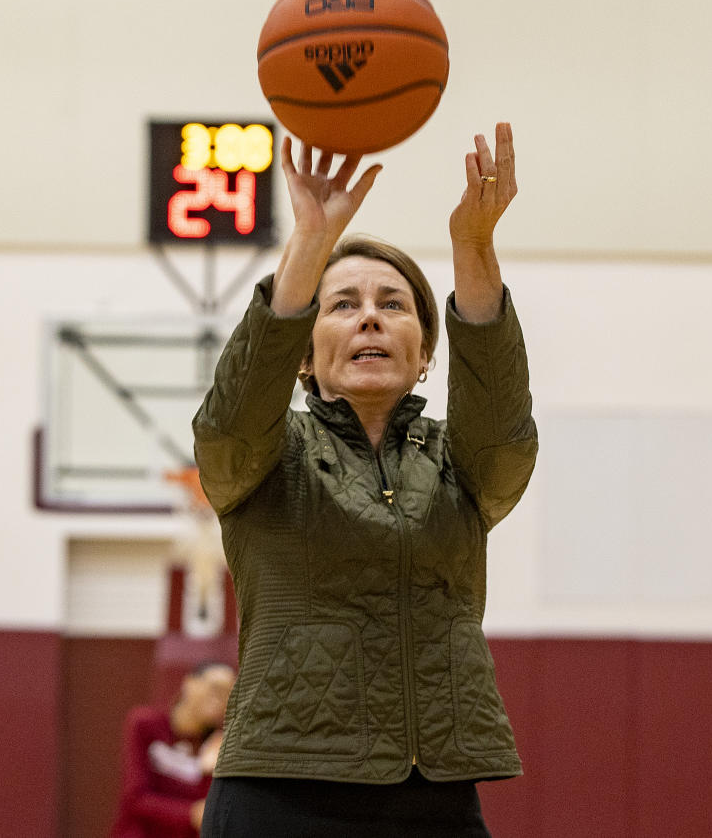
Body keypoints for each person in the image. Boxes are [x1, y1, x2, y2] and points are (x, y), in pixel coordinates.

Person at [192, 123, 537, 837]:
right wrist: (310, 244)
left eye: (393, 304)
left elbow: (504, 431)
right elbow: (229, 421)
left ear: (424, 355)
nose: (370, 317)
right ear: (303, 355)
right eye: (342, 304)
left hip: (434, 791)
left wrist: (474, 246)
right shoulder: (263, 456)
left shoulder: (461, 466)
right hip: (279, 793)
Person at [110, 660, 235, 838]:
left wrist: (210, 772)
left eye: (227, 694)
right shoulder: (146, 724)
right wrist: (191, 813)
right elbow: (135, 797)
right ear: (189, 683)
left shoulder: (219, 745)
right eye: (214, 687)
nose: (219, 698)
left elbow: (211, 812)